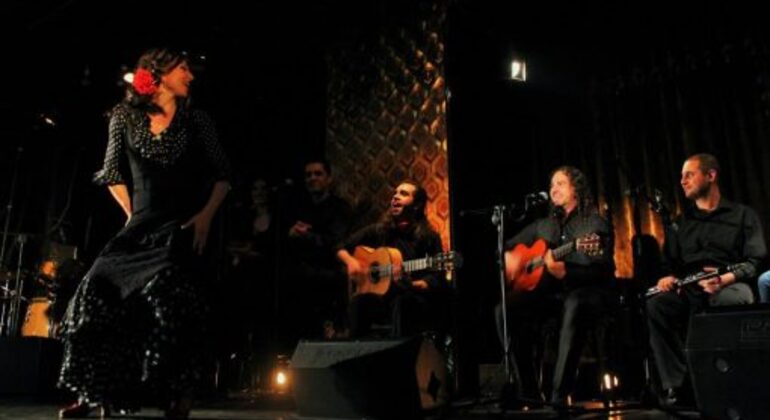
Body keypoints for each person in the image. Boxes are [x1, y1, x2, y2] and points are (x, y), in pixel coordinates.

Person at [57, 48, 231, 419]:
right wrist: (131, 213)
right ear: (160, 73)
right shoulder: (124, 116)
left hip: (178, 227)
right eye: (184, 69)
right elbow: (110, 174)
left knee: (167, 293)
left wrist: (204, 217)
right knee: (94, 290)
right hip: (139, 226)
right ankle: (93, 391)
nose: (191, 75)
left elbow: (224, 176)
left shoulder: (197, 120)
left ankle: (177, 395)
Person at [647, 153, 766, 407]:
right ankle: (679, 386)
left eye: (689, 174)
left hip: (730, 283)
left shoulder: (743, 215)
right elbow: (670, 264)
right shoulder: (681, 223)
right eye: (681, 176)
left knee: (729, 301)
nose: (682, 181)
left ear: (711, 176)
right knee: (658, 305)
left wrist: (723, 279)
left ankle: (729, 382)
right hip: (691, 286)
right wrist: (667, 278)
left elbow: (755, 262)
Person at [499, 166, 614, 408]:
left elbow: (602, 269)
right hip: (551, 296)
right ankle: (529, 392)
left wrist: (566, 272)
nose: (554, 189)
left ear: (577, 190)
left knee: (575, 303)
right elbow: (507, 247)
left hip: (587, 293)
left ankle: (558, 396)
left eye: (560, 183)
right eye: (552, 185)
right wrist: (510, 260)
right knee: (504, 310)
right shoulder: (543, 225)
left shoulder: (593, 223)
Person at [337, 181, 444, 338]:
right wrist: (351, 262)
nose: (395, 197)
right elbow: (341, 246)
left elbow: (437, 277)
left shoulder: (429, 237)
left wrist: (412, 284)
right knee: (359, 302)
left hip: (411, 296)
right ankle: (357, 354)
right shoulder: (379, 230)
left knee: (402, 302)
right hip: (380, 298)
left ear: (417, 205)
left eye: (403, 194)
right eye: (395, 193)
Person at [281, 159, 352, 344]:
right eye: (308, 175)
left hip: (329, 282)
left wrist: (307, 236)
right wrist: (291, 234)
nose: (312, 178)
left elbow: (336, 242)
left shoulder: (340, 208)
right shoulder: (298, 208)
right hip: (300, 285)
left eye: (318, 174)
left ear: (329, 179)